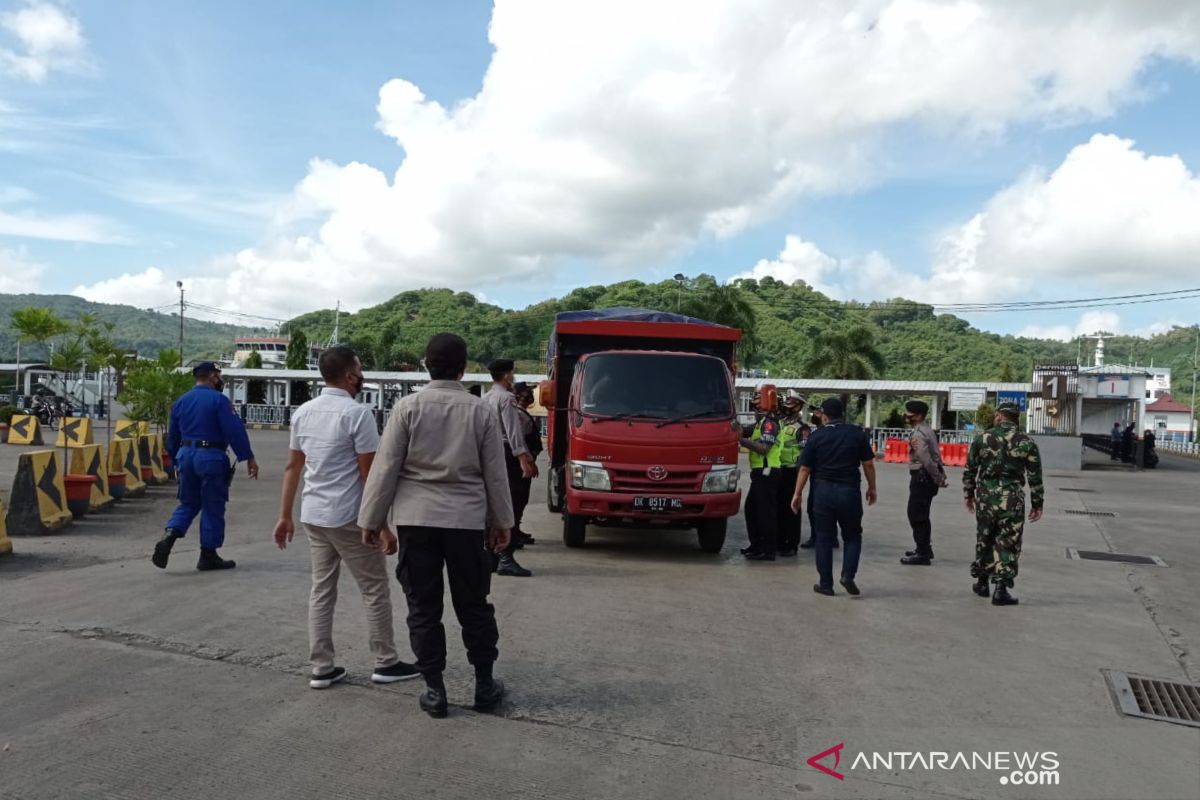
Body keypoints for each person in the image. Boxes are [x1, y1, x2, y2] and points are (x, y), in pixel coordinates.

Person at [358, 333, 514, 719]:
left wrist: (372, 520)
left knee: (423, 607)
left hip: (416, 521)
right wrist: (503, 522)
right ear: (464, 368)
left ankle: (435, 689)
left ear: (427, 365)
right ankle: (484, 685)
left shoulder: (407, 407)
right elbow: (496, 474)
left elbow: (386, 467)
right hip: (466, 523)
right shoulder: (480, 411)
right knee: (474, 604)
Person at [272, 346, 419, 690]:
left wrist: (284, 516)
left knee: (322, 590)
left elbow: (294, 466)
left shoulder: (303, 413)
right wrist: (381, 526)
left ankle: (321, 666)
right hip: (349, 516)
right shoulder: (357, 414)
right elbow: (370, 475)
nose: (362, 373)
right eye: (360, 368)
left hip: (314, 514)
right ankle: (385, 660)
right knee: (374, 588)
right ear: (351, 376)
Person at [153, 361, 258, 571]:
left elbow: (172, 437)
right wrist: (248, 457)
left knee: (188, 503)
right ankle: (208, 555)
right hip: (210, 457)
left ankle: (170, 535)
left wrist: (176, 461)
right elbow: (233, 430)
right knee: (213, 504)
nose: (220, 380)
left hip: (185, 456)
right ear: (211, 376)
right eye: (219, 376)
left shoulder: (181, 401)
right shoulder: (219, 400)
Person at [790, 398, 876, 596]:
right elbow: (868, 464)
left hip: (823, 491)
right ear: (842, 414)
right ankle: (848, 576)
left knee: (824, 538)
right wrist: (872, 488)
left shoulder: (816, 436)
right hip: (849, 491)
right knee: (853, 536)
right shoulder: (857, 434)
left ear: (825, 415)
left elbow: (805, 468)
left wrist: (797, 493)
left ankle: (826, 584)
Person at [962, 402, 1044, 606]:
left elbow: (970, 469)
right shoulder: (1027, 442)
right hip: (1012, 499)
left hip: (986, 498)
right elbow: (1035, 476)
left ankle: (982, 582)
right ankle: (1001, 588)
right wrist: (1037, 504)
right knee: (1008, 541)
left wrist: (968, 494)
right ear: (1016, 418)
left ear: (999, 416)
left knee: (985, 537)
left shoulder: (982, 438)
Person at [484, 358, 536, 577]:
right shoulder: (506, 399)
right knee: (513, 503)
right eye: (512, 374)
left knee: (492, 504)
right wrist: (524, 459)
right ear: (506, 376)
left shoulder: (486, 398)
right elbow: (513, 433)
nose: (513, 377)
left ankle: (492, 557)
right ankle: (506, 557)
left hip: (490, 454)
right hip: (508, 455)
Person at [900, 400, 949, 566]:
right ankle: (924, 548)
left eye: (909, 414)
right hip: (925, 477)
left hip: (922, 476)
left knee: (916, 514)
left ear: (918, 416)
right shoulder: (926, 430)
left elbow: (926, 459)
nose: (906, 416)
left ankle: (922, 553)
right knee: (922, 513)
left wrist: (938, 477)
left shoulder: (919, 433)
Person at [740, 387, 782, 561]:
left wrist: (740, 440)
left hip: (767, 472)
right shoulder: (760, 423)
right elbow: (743, 430)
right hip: (759, 474)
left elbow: (764, 449)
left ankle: (768, 549)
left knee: (765, 512)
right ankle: (756, 545)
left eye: (756, 403)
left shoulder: (770, 423)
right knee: (752, 509)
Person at [510, 382, 543, 548]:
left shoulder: (523, 413)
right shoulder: (517, 414)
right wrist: (529, 461)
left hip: (524, 463)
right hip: (519, 465)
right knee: (517, 498)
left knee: (521, 499)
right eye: (526, 392)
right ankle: (512, 534)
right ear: (517, 394)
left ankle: (516, 530)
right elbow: (520, 441)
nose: (530, 395)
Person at [775, 391, 806, 557]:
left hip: (792, 471)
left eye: (791, 403)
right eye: (787, 402)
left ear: (799, 406)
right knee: (778, 507)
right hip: (778, 469)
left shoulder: (802, 428)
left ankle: (791, 543)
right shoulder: (781, 423)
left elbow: (805, 453)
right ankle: (779, 540)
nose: (787, 406)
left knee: (792, 508)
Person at [798, 410, 833, 550]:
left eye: (817, 412)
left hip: (819, 474)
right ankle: (829, 537)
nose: (814, 414)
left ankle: (817, 537)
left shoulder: (820, 434)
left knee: (815, 508)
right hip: (823, 475)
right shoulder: (822, 432)